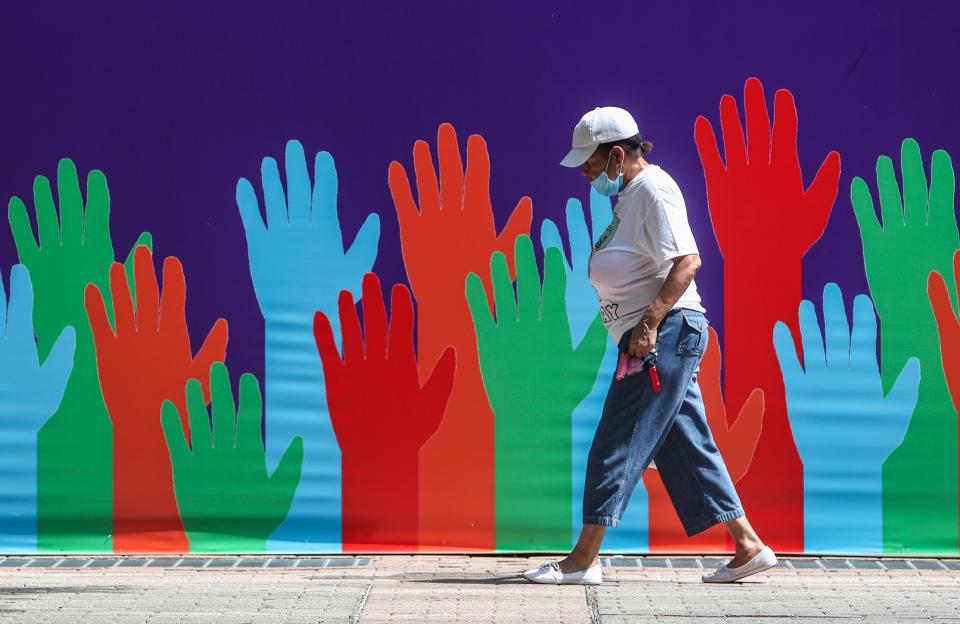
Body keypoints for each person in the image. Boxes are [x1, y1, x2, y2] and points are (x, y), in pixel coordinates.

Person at [522, 107, 777, 585]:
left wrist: (648, 326)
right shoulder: (631, 197)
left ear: (617, 154)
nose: (586, 171)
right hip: (660, 338)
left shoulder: (653, 190)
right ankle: (748, 546)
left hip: (664, 336)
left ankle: (582, 561)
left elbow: (687, 261)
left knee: (615, 443)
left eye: (592, 162)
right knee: (688, 447)